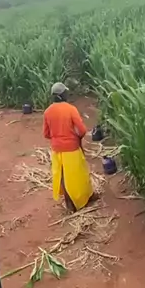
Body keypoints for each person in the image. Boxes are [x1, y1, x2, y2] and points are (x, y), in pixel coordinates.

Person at [43, 82, 93, 212]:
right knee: (78, 175)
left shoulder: (47, 112)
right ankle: (82, 200)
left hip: (57, 150)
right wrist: (76, 137)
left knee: (63, 176)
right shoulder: (71, 109)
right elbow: (82, 130)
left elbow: (46, 134)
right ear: (62, 95)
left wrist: (57, 137)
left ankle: (69, 204)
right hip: (72, 148)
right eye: (66, 92)